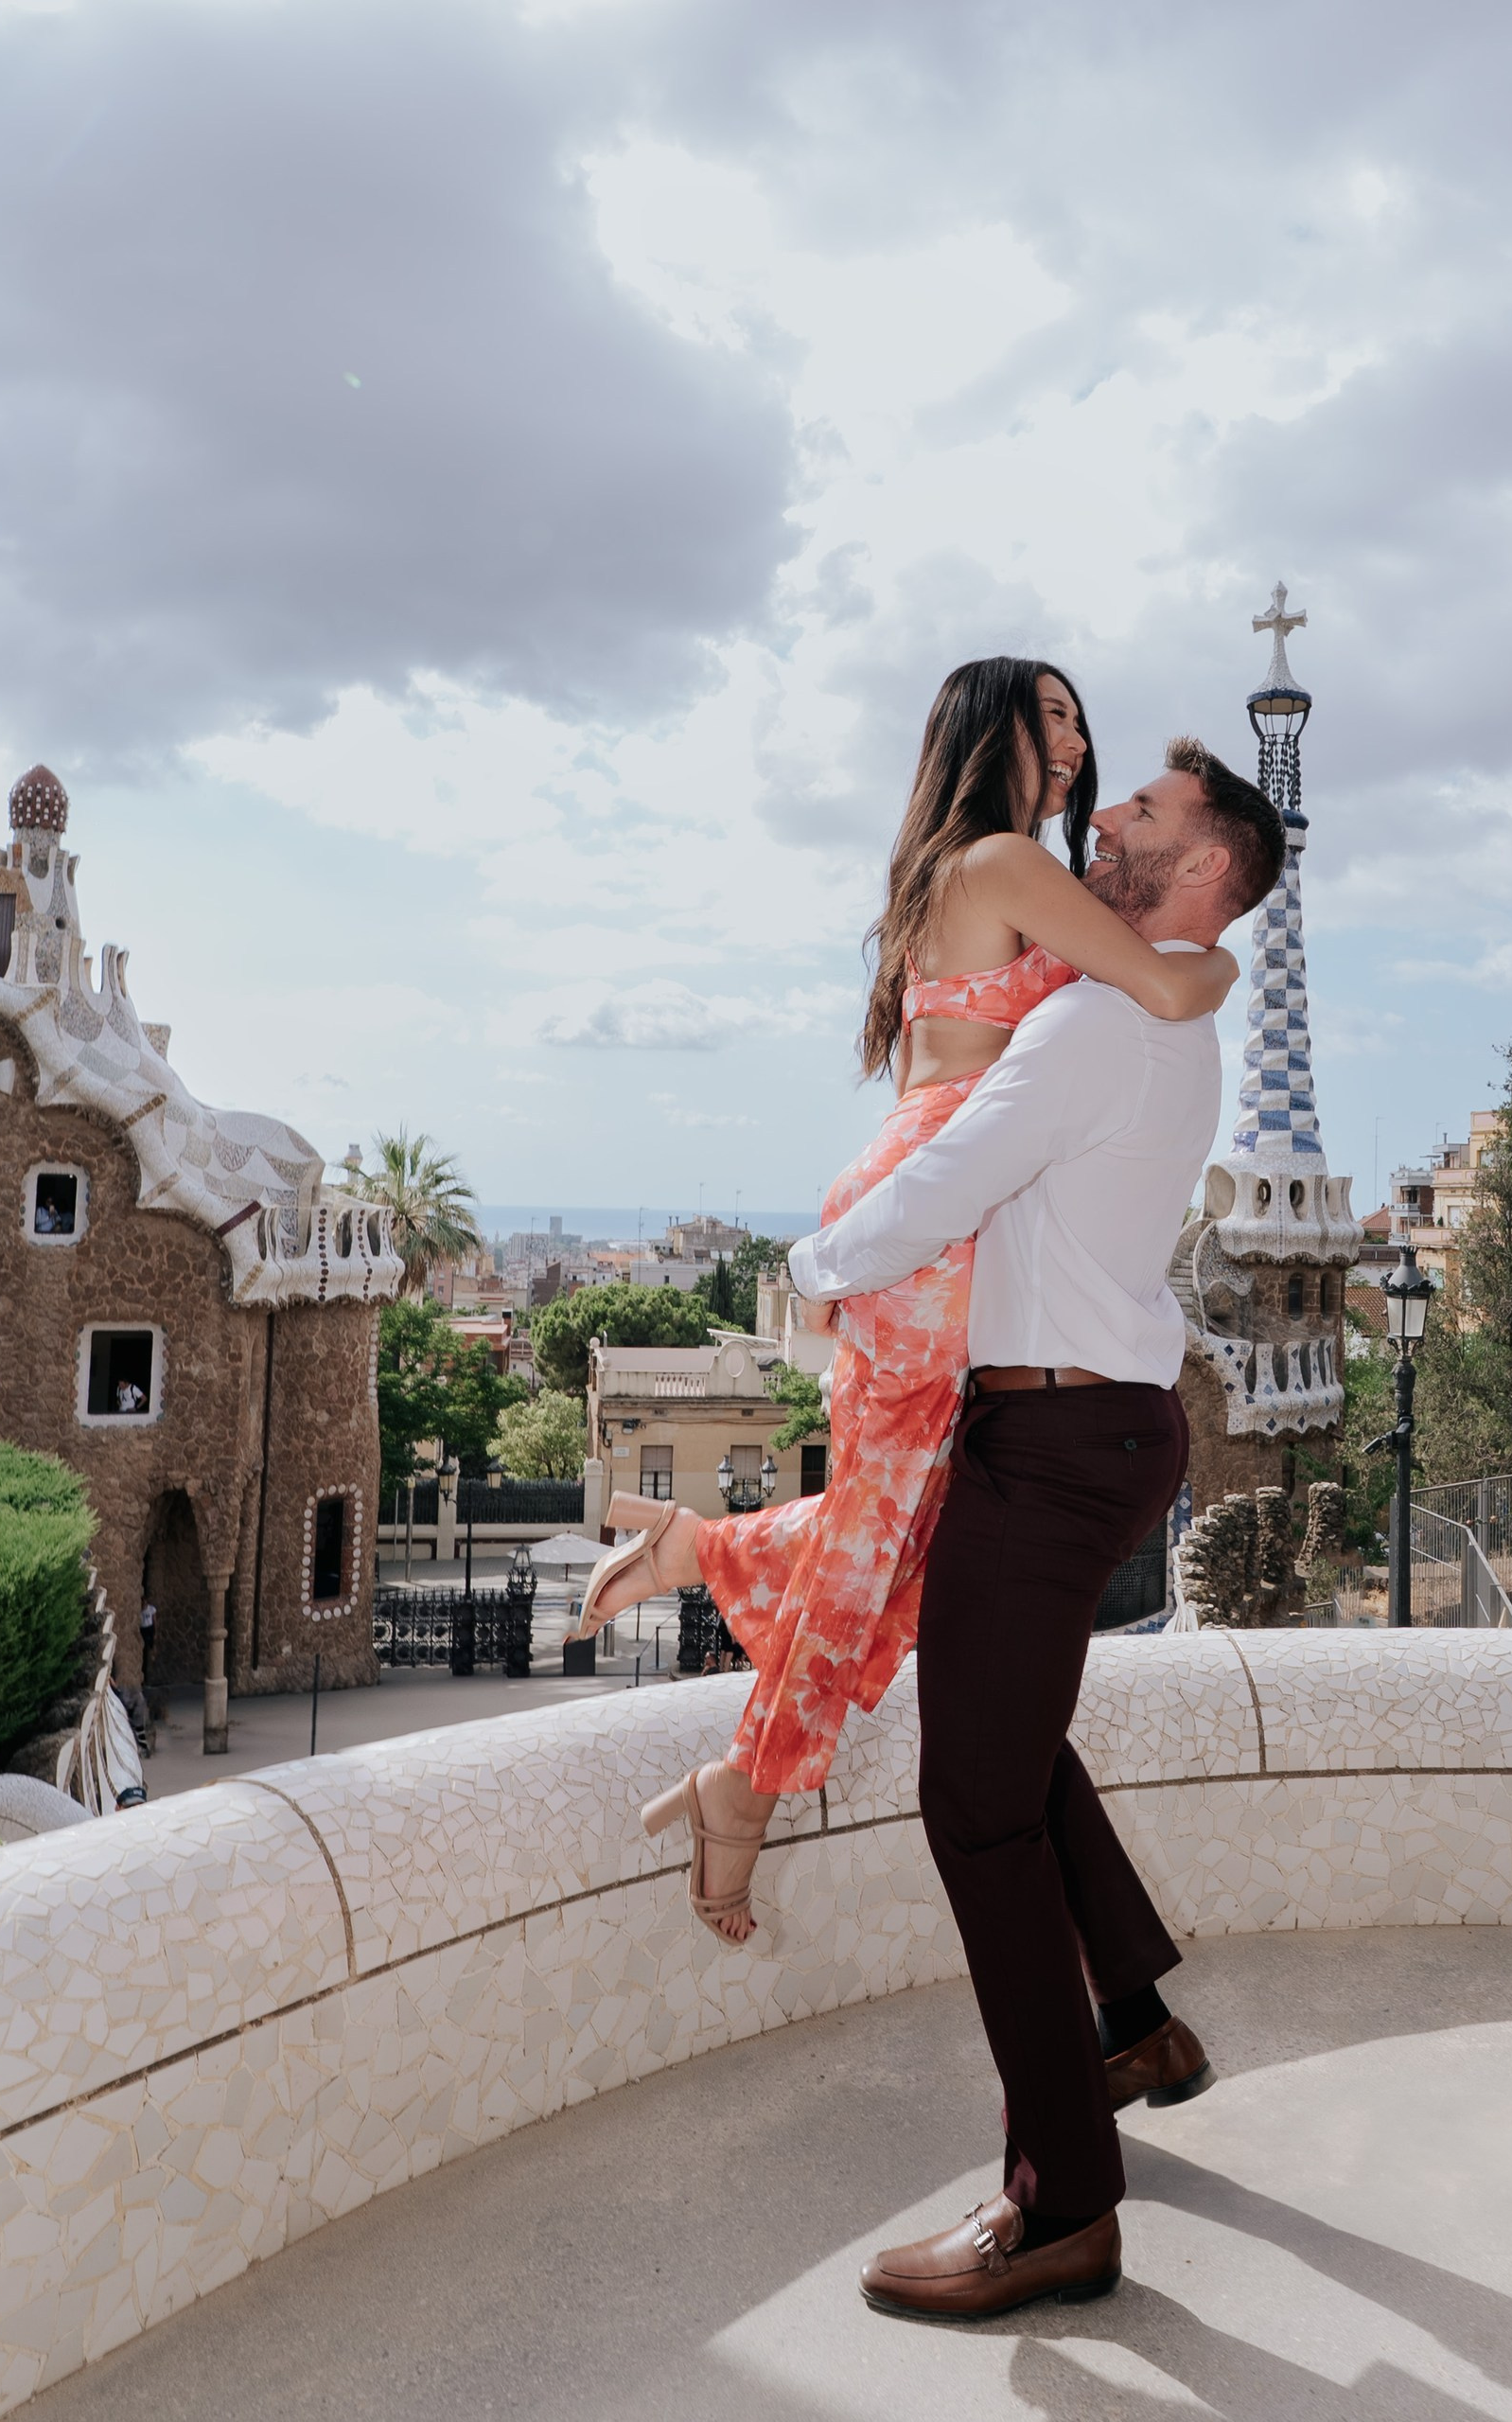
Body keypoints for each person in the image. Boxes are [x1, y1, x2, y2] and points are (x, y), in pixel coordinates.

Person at [576, 662, 1237, 1943]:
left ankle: (700, 1561)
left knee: (921, 1517)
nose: (1075, 734)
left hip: (949, 1205)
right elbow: (1162, 985)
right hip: (934, 1215)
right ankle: (745, 1786)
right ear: (983, 734)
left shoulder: (989, 871)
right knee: (887, 1524)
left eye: (1077, 714)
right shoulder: (997, 862)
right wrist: (1209, 963)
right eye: (1046, 712)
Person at [787, 735, 1286, 2319]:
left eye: (1141, 810)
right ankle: (1132, 2020)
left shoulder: (1094, 1018)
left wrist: (809, 1266)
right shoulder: (1151, 1005)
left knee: (975, 1808)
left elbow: (953, 1173)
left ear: (1205, 868)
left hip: (1054, 1434)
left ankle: (1061, 2201)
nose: (1103, 817)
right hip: (1089, 1422)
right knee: (1017, 1743)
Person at [138, 1598, 156, 1682]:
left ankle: (153, 1655)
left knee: (152, 1643)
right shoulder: (140, 1610)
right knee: (144, 1645)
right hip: (143, 1628)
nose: (144, 1604)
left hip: (150, 1628)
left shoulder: (151, 1609)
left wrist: (155, 1631)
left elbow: (154, 1619)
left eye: (145, 1602)